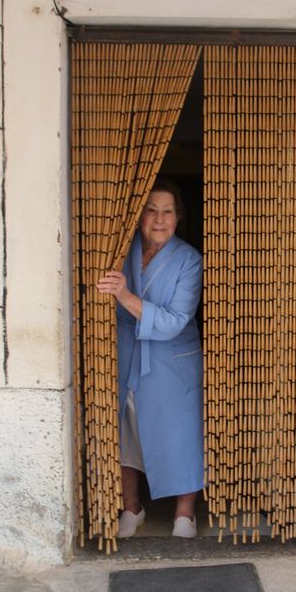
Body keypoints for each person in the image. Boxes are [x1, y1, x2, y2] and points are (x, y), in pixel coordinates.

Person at [96, 177, 204, 539]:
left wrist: (125, 296)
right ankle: (132, 508)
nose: (159, 219)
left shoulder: (189, 260)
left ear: (178, 217)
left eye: (168, 211)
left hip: (172, 360)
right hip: (127, 353)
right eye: (152, 210)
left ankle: (184, 513)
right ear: (139, 215)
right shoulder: (120, 253)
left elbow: (174, 320)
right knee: (127, 431)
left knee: (182, 435)